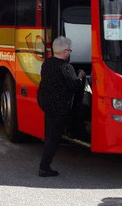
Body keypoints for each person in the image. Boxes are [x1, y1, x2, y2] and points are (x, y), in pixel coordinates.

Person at [36, 36, 86, 177]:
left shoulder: (47, 64)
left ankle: (44, 164)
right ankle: (44, 167)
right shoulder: (66, 67)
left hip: (46, 103)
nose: (70, 52)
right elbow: (74, 85)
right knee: (54, 137)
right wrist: (81, 76)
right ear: (64, 51)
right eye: (69, 50)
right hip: (59, 107)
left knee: (49, 134)